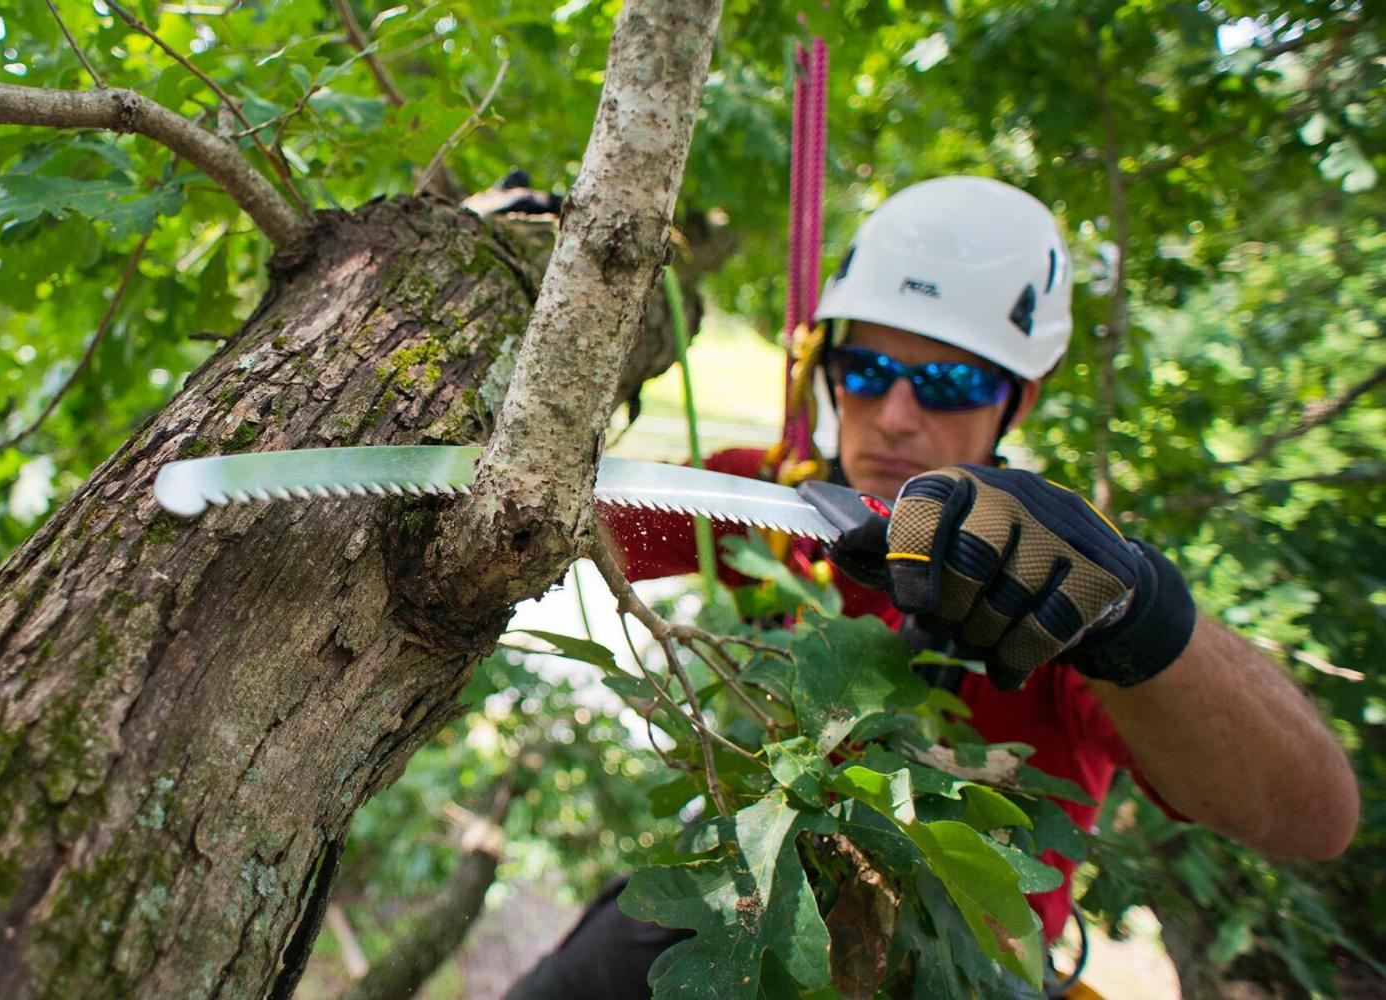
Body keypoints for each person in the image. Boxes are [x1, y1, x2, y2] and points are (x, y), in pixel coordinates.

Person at [505, 176, 1360, 999]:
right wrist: (533, 276)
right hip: (736, 907)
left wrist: (1134, 616)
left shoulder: (1059, 590)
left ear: (1016, 403)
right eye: (870, 372)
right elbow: (537, 519)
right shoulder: (777, 504)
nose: (898, 414)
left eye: (953, 382)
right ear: (827, 368)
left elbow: (1313, 816)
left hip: (948, 973)